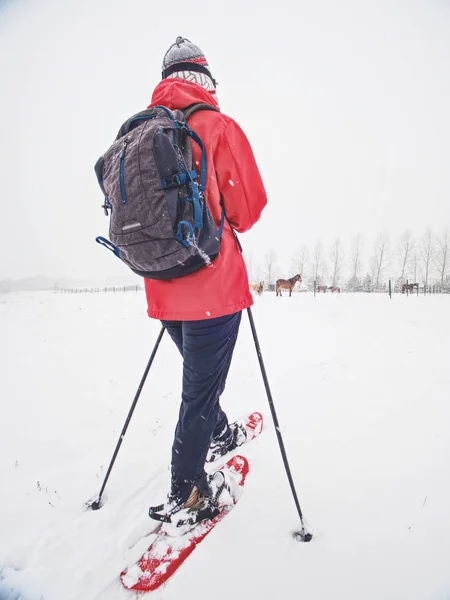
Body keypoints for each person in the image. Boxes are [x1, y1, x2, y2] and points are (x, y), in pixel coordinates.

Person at [146, 37, 267, 526]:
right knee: (198, 389)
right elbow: (247, 208)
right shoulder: (214, 125)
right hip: (212, 287)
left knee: (201, 379)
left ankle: (219, 431)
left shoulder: (141, 132)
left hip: (162, 286)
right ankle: (188, 493)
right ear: (204, 78)